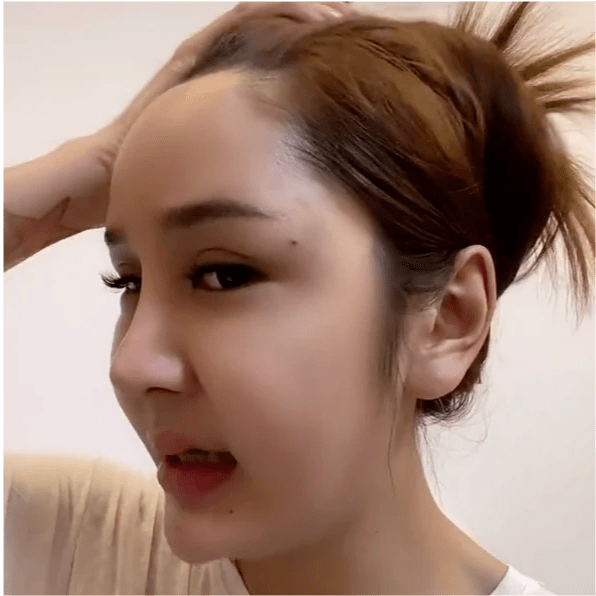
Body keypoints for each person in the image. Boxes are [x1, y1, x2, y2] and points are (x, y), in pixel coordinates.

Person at [3, 1, 594, 594]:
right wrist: (87, 169)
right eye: (129, 281)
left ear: (448, 318)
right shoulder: (74, 548)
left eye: (224, 275)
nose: (130, 367)